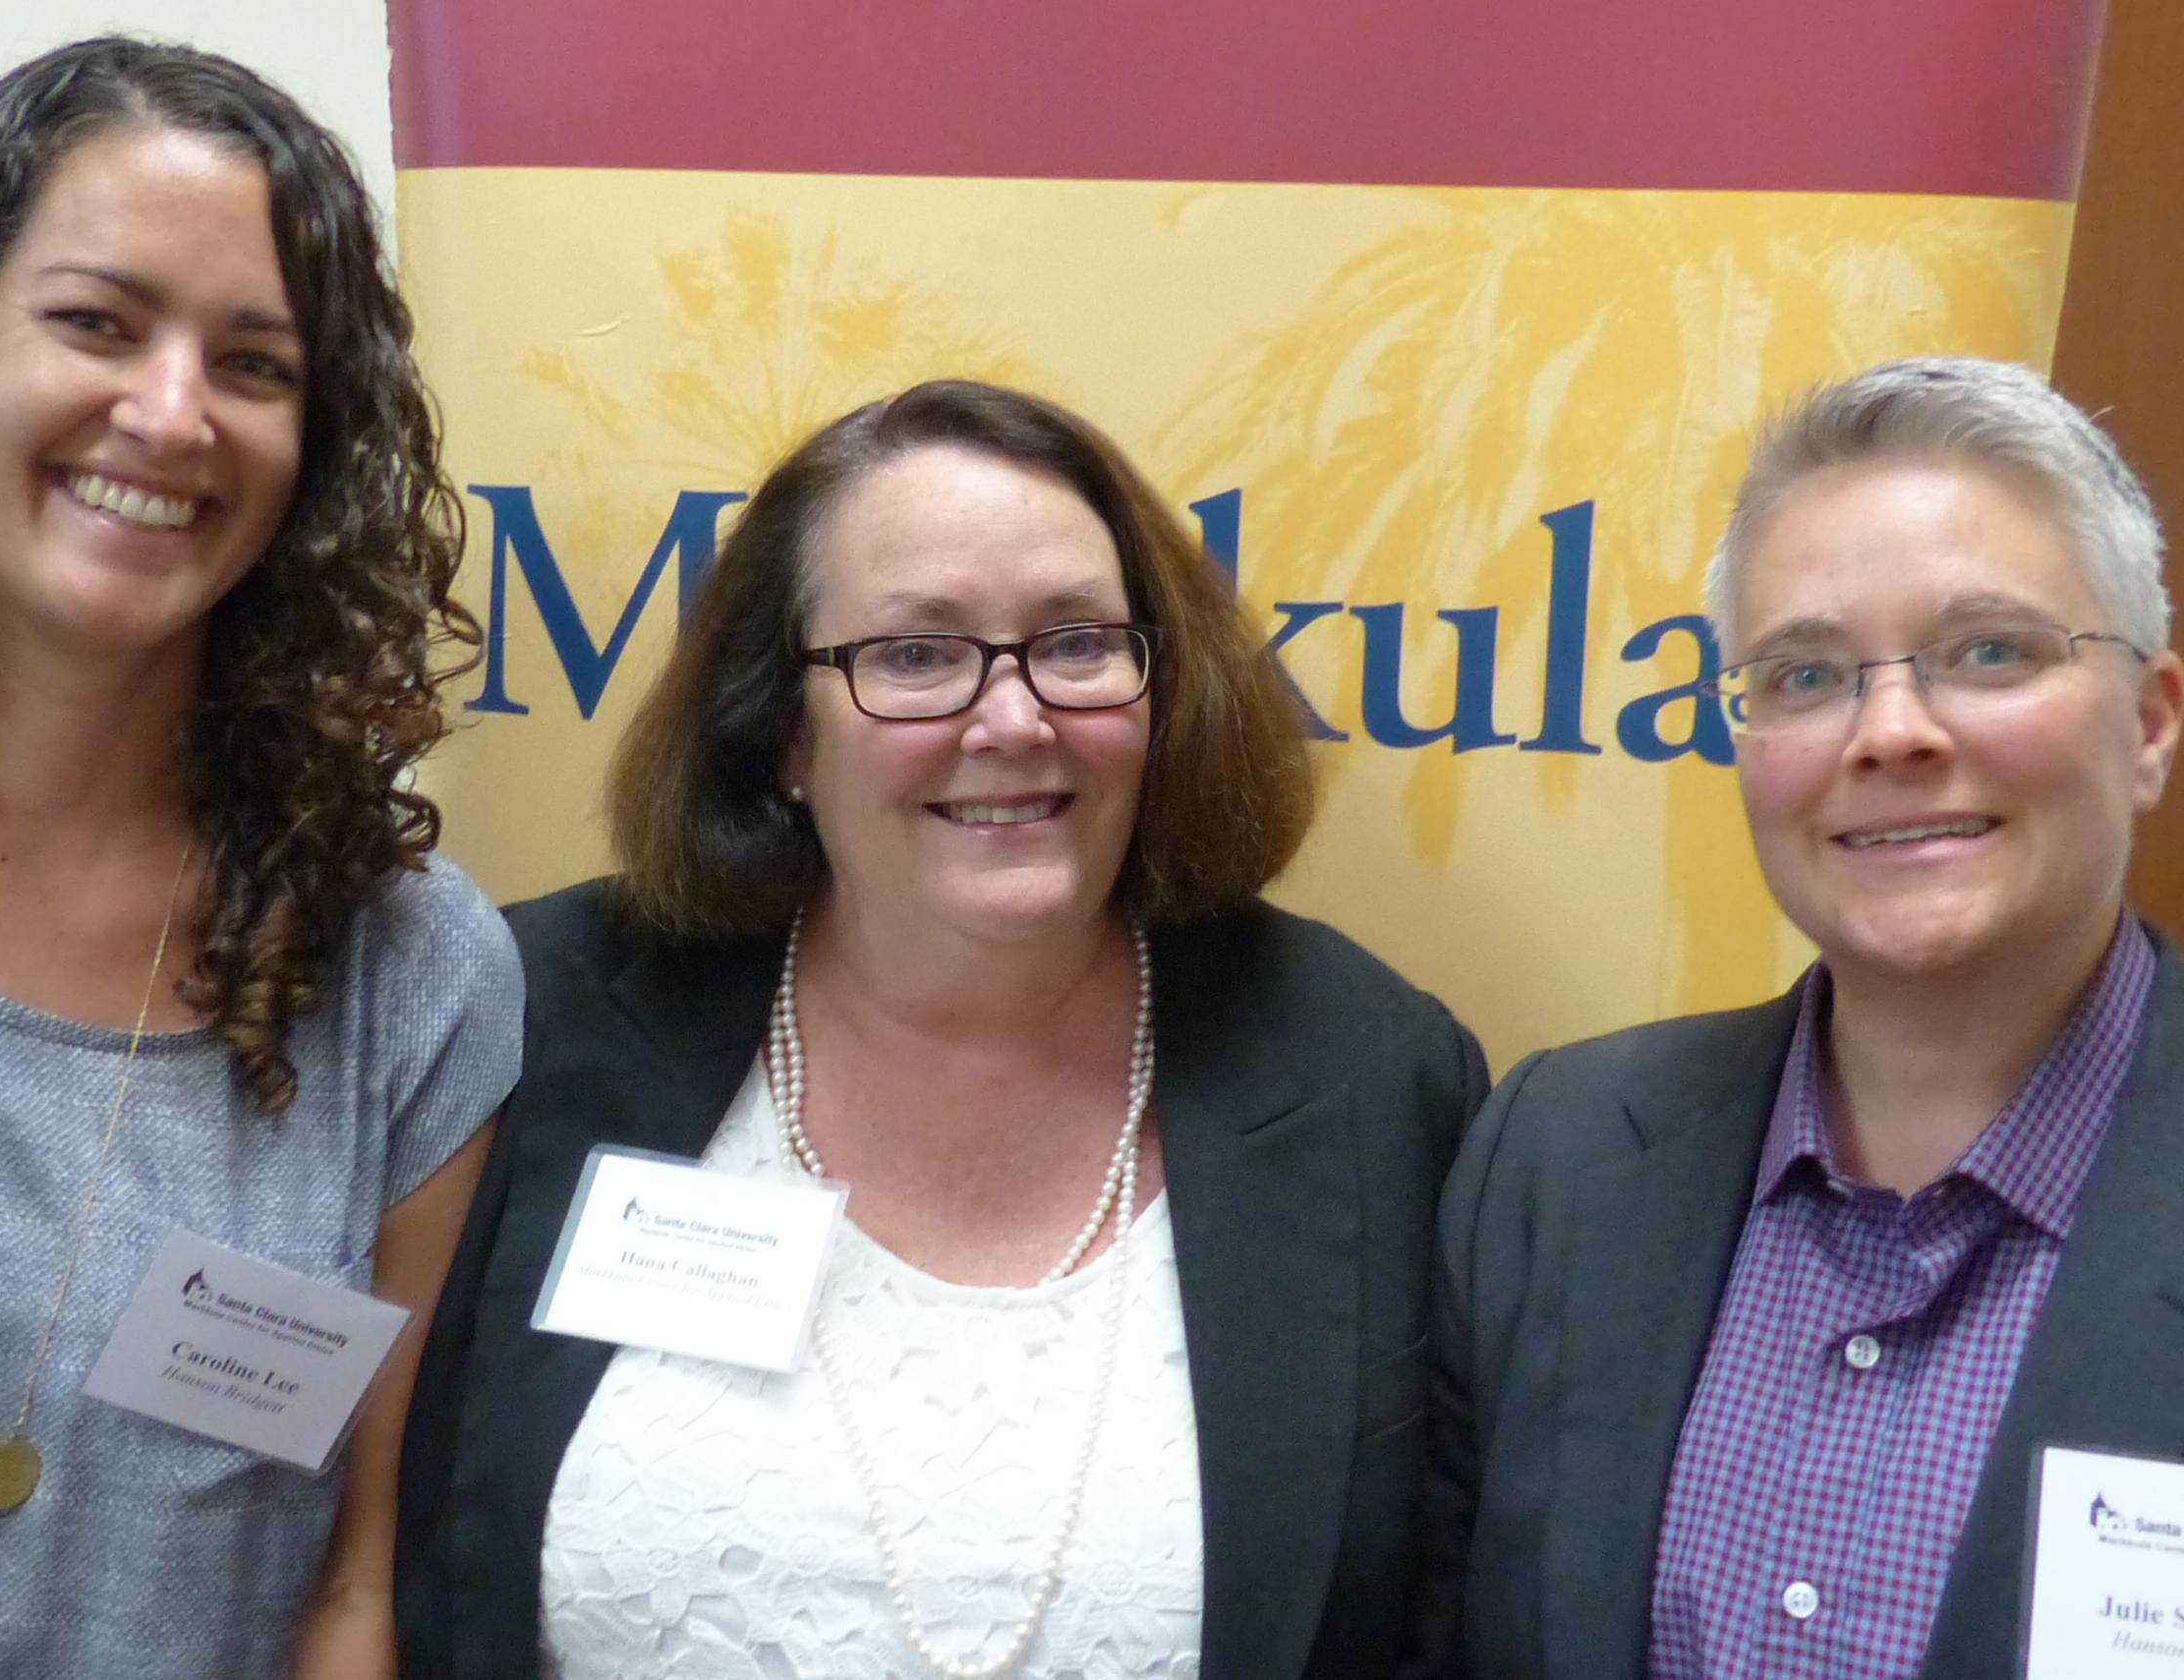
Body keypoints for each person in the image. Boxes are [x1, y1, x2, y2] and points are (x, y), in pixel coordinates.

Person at [397, 377, 1487, 1679]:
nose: (1014, 716)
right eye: (914, 654)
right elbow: (378, 1551)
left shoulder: (1364, 1071)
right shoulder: (533, 1010)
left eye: (1076, 641)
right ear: (781, 730)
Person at [0, 37, 521, 1680]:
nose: (170, 412)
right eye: (96, 322)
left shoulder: (407, 976)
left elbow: (354, 1593)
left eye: (254, 363)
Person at [1416, 357, 2184, 1679]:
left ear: (2148, 723)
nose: (1886, 730)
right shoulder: (1555, 1156)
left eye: (1986, 650)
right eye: (1803, 674)